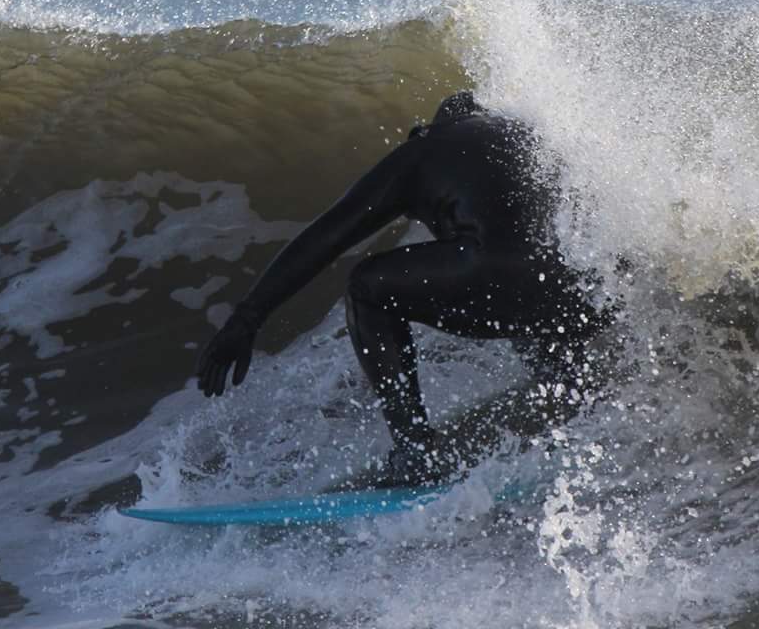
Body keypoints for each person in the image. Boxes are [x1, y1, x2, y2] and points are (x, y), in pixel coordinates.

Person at [195, 91, 609, 484]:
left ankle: (416, 452)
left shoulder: (423, 151)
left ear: (429, 128)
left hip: (504, 282)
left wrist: (248, 317)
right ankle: (578, 396)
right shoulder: (528, 138)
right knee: (531, 272)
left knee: (366, 287)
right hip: (576, 292)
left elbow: (325, 238)